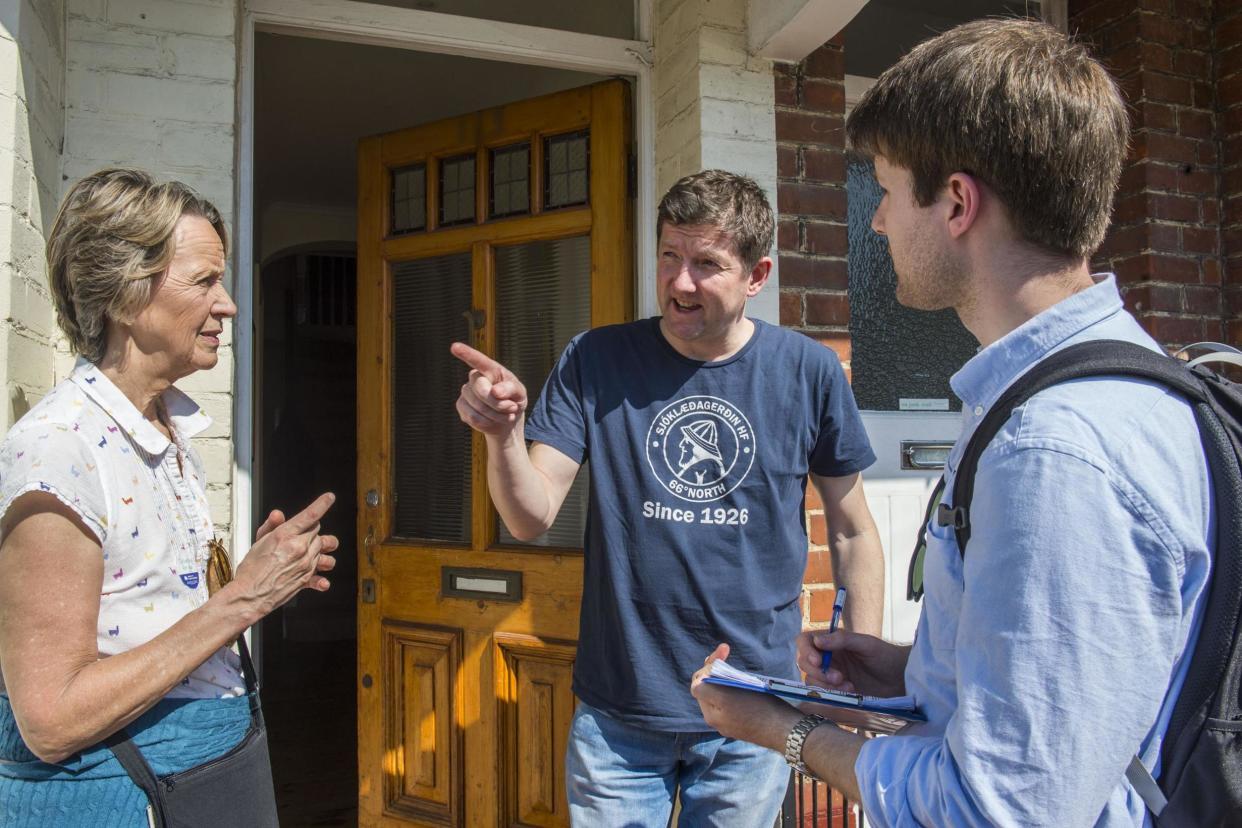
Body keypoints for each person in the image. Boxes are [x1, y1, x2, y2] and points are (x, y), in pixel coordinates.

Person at [690, 18, 1213, 826]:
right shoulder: (1089, 391)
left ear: (958, 203)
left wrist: (786, 732)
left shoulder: (1056, 449)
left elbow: (996, 810)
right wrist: (914, 672)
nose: (876, 223)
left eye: (888, 192)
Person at [453, 169, 884, 826]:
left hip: (754, 711)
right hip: (620, 713)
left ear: (757, 275)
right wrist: (504, 435)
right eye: (669, 257)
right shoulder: (596, 360)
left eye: (706, 264)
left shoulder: (808, 372)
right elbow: (530, 515)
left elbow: (852, 531)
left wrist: (862, 663)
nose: (680, 283)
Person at [0, 168, 339, 825]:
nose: (229, 305)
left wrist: (241, 583)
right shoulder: (60, 449)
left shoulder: (165, 426)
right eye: (205, 280)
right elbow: (50, 717)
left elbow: (144, 619)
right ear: (127, 297)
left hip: (201, 778)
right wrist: (242, 603)